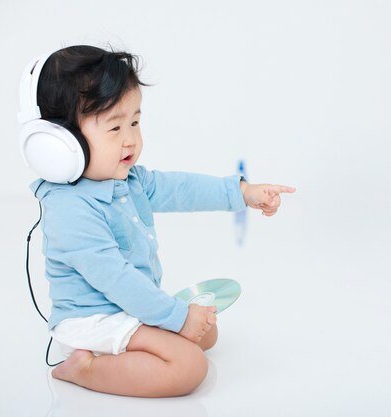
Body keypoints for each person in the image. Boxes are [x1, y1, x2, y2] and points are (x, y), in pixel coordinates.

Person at [24, 45, 295, 398]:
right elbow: (117, 280)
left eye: (134, 122)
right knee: (189, 367)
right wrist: (176, 317)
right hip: (94, 322)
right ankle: (85, 367)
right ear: (61, 144)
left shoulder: (128, 180)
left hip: (125, 307)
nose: (130, 139)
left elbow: (181, 189)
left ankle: (158, 328)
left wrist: (243, 192)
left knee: (206, 332)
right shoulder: (70, 210)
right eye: (114, 127)